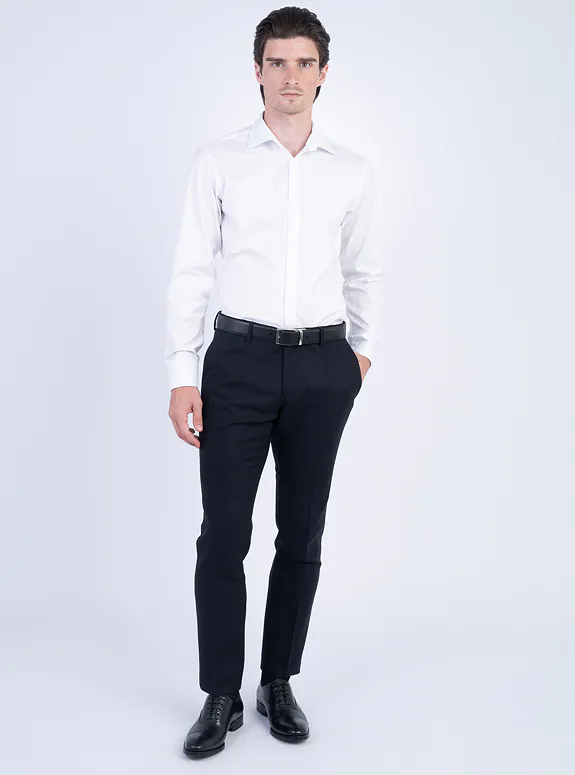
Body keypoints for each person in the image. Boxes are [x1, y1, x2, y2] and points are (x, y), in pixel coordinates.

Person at [165, 6, 384, 759]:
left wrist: (359, 356)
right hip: (238, 362)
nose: (290, 76)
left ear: (323, 73)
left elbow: (364, 271)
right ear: (257, 71)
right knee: (224, 533)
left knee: (302, 531)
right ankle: (219, 693)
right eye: (277, 62)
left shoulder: (350, 170)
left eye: (304, 63)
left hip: (323, 365)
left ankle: (276, 681)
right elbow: (192, 269)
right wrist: (181, 373)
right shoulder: (219, 160)